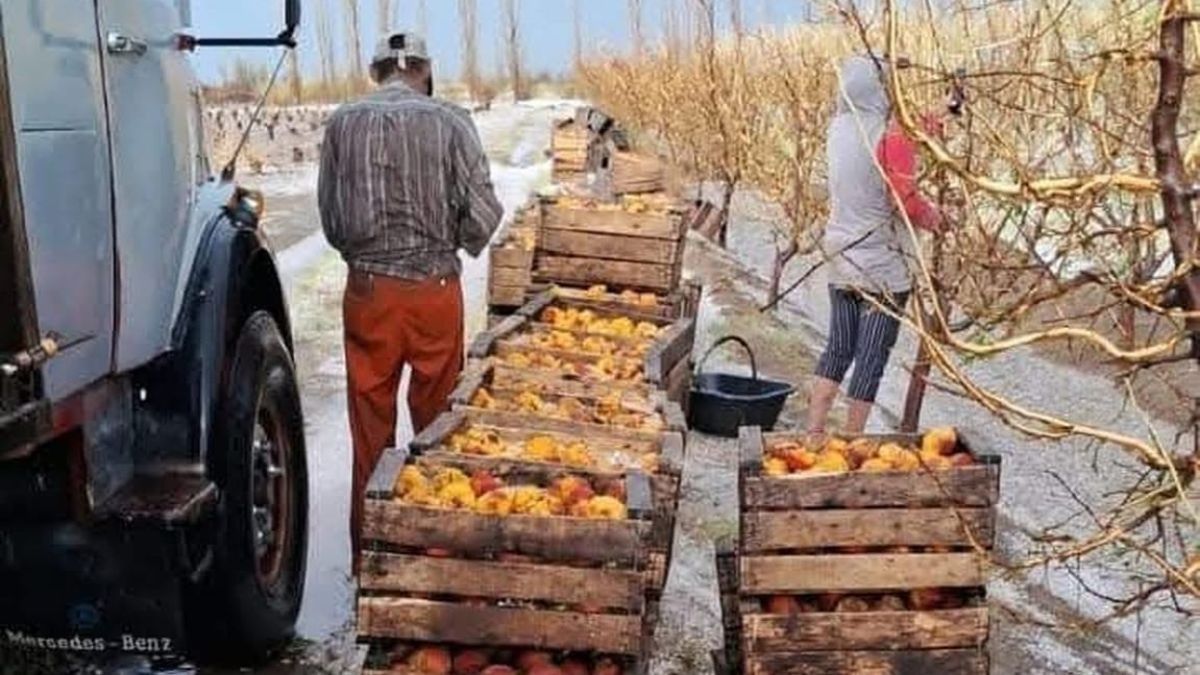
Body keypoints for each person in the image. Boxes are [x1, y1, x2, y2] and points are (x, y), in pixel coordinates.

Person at [318, 33, 503, 571]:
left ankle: (371, 559)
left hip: (369, 293)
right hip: (433, 294)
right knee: (437, 423)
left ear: (378, 72)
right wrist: (453, 244)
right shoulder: (449, 121)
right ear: (425, 70)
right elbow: (484, 211)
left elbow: (330, 217)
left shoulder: (342, 123)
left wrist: (365, 254)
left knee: (369, 427)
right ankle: (429, 556)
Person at [807, 55, 944, 437]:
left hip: (843, 260)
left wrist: (942, 114)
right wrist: (938, 219)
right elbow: (905, 198)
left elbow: (911, 136)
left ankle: (813, 433)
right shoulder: (889, 131)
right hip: (883, 269)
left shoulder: (839, 129)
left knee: (837, 350)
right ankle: (851, 441)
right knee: (870, 359)